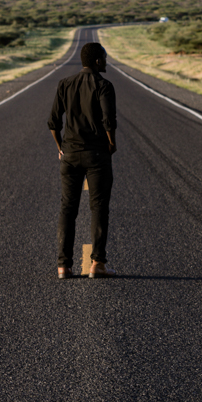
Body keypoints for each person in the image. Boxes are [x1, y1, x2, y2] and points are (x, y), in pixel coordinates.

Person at [47, 41, 117, 279]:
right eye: (104, 58)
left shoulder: (64, 84)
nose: (106, 62)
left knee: (68, 208)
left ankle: (63, 266)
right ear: (97, 61)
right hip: (97, 154)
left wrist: (61, 148)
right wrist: (111, 143)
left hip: (70, 154)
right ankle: (97, 264)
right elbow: (109, 121)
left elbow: (54, 122)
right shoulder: (104, 86)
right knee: (98, 207)